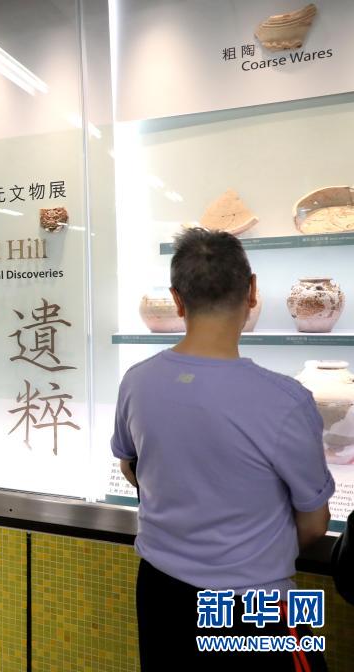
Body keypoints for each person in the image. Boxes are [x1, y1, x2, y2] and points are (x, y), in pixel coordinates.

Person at [111, 229, 334, 671]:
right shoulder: (285, 400)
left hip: (159, 590)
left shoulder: (136, 381)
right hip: (253, 602)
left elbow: (131, 467)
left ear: (177, 300)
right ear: (252, 291)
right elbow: (314, 524)